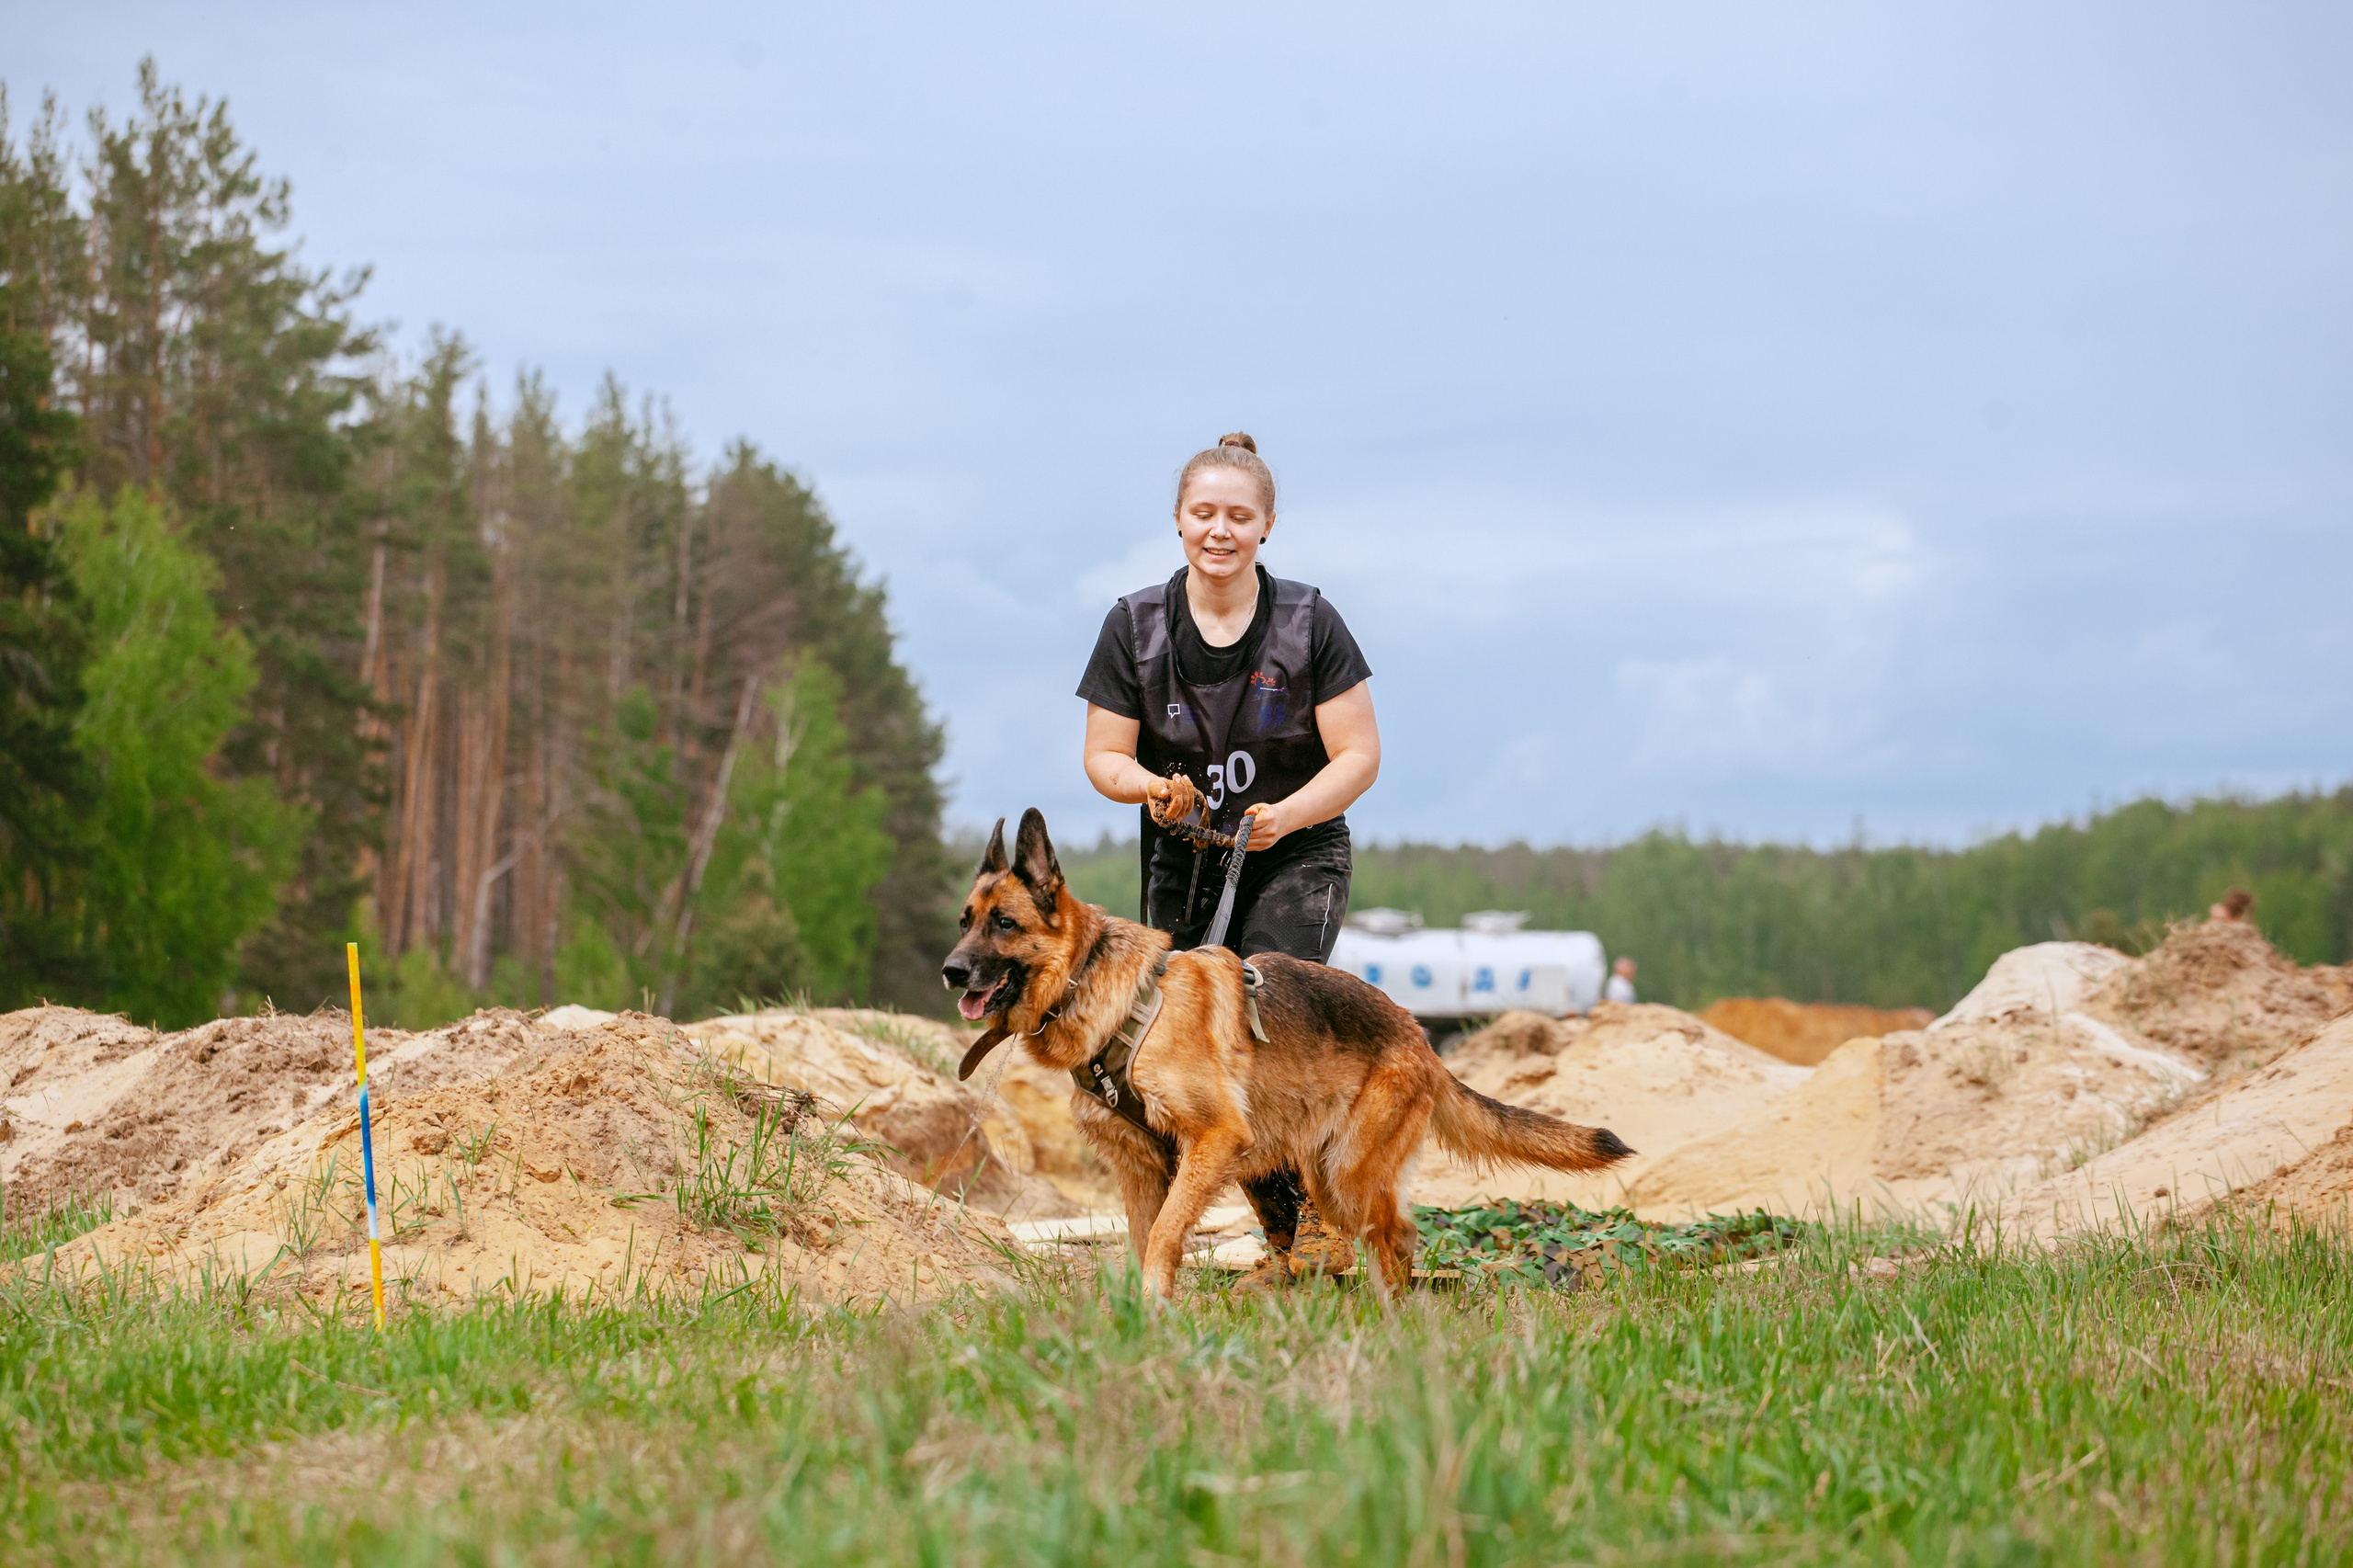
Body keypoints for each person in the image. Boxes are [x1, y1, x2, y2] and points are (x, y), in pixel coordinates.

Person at [1075, 430, 1381, 1280]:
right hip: (1185, 859)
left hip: (1295, 850)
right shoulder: (1133, 624)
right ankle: (1287, 1245)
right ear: (1178, 520)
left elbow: (1359, 756)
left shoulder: (1310, 621)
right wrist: (1149, 786)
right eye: (1204, 513)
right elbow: (1102, 757)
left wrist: (1288, 815)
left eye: (1239, 516)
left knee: (1268, 1016)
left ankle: (1326, 1222)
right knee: (1189, 1050)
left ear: (1267, 525)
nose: (1221, 530)